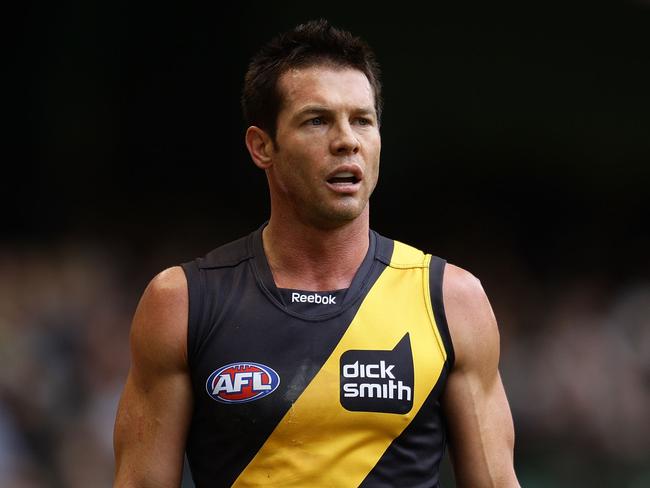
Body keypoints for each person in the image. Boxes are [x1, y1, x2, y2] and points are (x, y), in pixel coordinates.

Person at [113, 19, 520, 487]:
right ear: (262, 146)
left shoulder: (451, 300)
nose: (347, 140)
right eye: (317, 120)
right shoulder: (181, 303)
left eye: (362, 120)